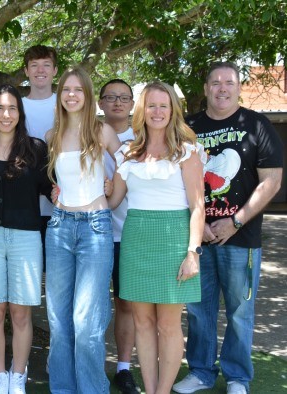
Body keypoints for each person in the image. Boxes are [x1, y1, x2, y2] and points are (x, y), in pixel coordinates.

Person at [173, 62, 284, 394]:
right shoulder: (187, 126)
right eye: (215, 82)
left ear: (238, 87)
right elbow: (175, 181)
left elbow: (272, 181)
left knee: (239, 311)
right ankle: (202, 372)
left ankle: (237, 377)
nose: (222, 88)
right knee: (198, 310)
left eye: (229, 82)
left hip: (242, 237)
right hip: (198, 237)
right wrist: (200, 224)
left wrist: (235, 222)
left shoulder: (257, 125)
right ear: (206, 88)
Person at [108, 81, 205, 394]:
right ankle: (149, 390)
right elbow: (112, 201)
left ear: (173, 110)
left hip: (174, 240)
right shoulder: (127, 153)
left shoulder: (187, 152)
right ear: (142, 111)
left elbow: (198, 205)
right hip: (136, 240)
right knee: (143, 323)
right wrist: (77, 193)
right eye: (152, 105)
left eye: (164, 105)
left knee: (167, 324)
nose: (158, 111)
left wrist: (193, 252)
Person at [0, 85, 51, 394]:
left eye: (12, 108)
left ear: (20, 113)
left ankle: (18, 377)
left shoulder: (35, 148)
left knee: (20, 312)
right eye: (0, 108)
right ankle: (0, 376)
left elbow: (51, 187)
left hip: (26, 238)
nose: (6, 114)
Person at [44, 67, 121, 392]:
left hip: (95, 229)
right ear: (60, 96)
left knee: (87, 322)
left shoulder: (102, 132)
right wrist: (54, 191)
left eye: (78, 90)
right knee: (59, 322)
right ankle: (62, 387)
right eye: (66, 90)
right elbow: (58, 181)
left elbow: (129, 167)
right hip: (59, 228)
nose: (72, 95)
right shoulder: (52, 136)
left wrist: (113, 196)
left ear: (88, 96)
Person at [98, 78, 139, 394]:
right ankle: (92, 363)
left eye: (123, 97)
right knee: (94, 303)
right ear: (99, 102)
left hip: (129, 233)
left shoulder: (142, 139)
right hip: (94, 233)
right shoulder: (89, 133)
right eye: (110, 97)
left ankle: (124, 368)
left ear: (132, 104)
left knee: (126, 303)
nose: (117, 102)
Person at [22, 45, 58, 243]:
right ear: (27, 71)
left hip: (61, 201)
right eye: (34, 65)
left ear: (54, 70)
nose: (40, 70)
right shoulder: (16, 106)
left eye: (46, 65)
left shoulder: (65, 103)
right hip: (26, 202)